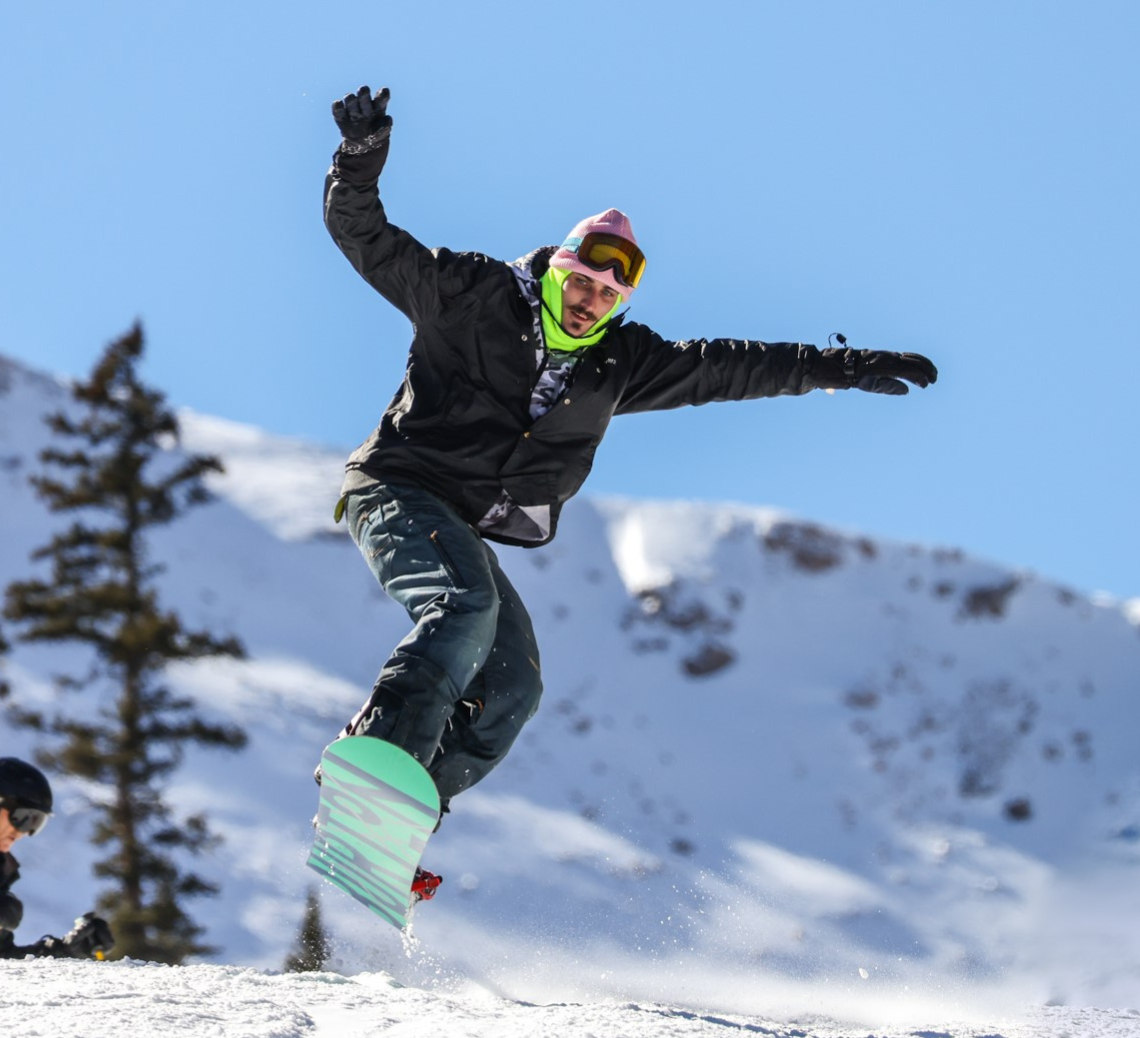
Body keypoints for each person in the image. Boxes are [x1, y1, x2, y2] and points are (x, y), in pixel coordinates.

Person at [321, 84, 938, 829]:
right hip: (397, 487)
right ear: (555, 269)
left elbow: (727, 366)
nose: (588, 303)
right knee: (463, 607)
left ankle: (406, 813)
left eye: (605, 298)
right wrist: (358, 159)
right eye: (580, 283)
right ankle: (375, 769)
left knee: (514, 683)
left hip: (458, 517)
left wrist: (838, 367)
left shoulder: (617, 362)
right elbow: (366, 237)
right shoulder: (471, 295)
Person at [0, 756, 115, 960]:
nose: (24, 833)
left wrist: (65, 951)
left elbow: (0, 961)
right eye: (23, 818)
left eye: (36, 823)